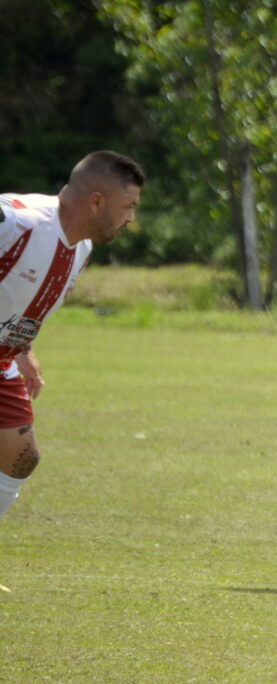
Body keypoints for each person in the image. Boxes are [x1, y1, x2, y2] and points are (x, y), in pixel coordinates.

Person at [0, 151, 144, 549]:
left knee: (20, 455)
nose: (131, 218)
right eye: (127, 207)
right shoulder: (18, 220)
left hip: (3, 358)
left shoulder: (80, 248)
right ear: (97, 202)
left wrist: (22, 349)